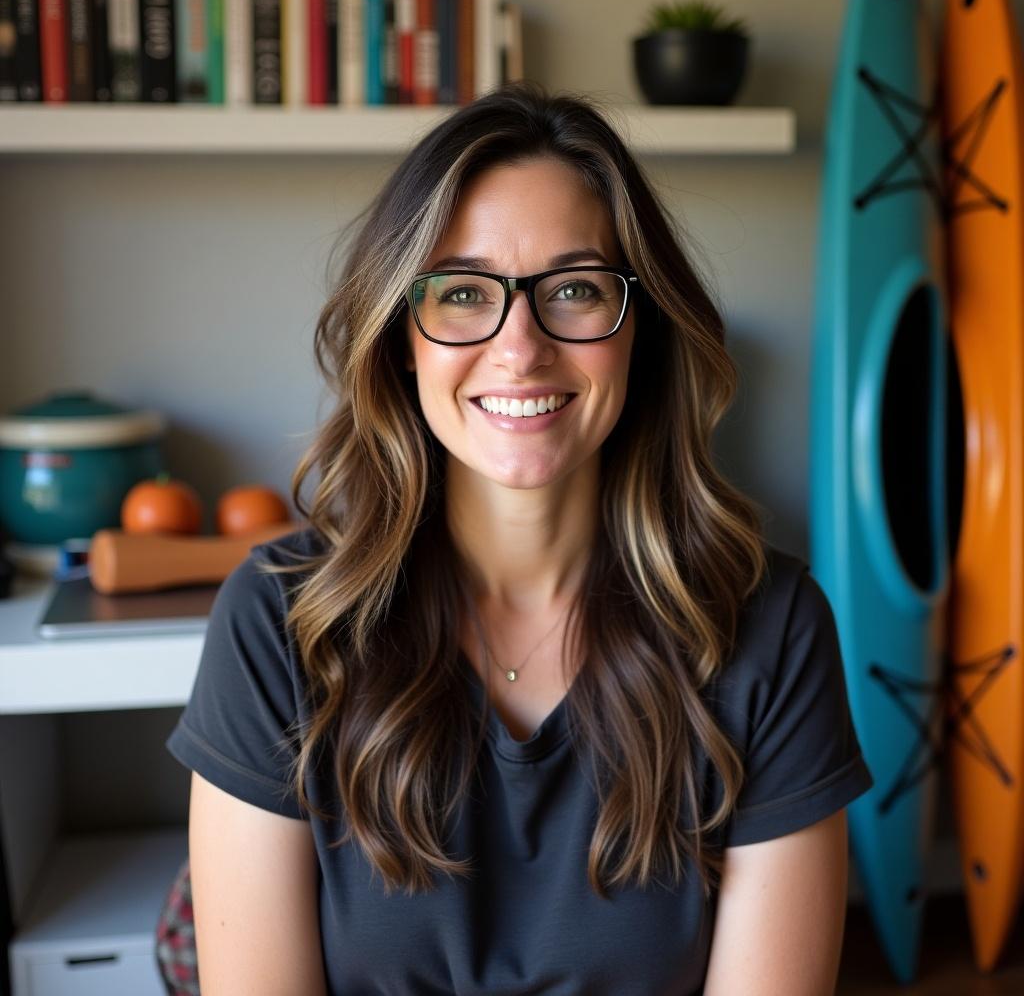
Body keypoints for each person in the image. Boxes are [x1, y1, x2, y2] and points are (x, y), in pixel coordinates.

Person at [166, 81, 873, 995]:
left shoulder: (770, 631)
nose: (519, 346)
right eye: (463, 293)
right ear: (401, 338)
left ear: (640, 331)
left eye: (575, 289)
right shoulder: (280, 623)